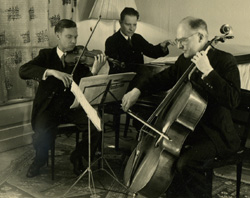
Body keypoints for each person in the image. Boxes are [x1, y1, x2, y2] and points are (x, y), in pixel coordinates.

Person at [121, 16, 241, 198]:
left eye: (183, 40)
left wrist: (208, 72)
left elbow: (233, 100)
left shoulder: (225, 61)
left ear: (200, 37)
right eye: (177, 40)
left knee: (186, 163)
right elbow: (162, 79)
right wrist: (137, 90)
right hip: (190, 131)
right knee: (168, 159)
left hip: (216, 134)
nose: (179, 45)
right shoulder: (184, 61)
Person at [19, 19, 106, 178]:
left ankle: (78, 156)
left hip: (71, 106)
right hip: (49, 108)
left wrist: (93, 71)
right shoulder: (46, 55)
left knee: (96, 124)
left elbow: (83, 87)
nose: (74, 41)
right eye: (69, 37)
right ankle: (40, 159)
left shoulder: (80, 59)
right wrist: (51, 72)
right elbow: (23, 70)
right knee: (41, 132)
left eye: (76, 37)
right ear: (58, 35)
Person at [105, 7, 173, 75]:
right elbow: (117, 67)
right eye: (128, 24)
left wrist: (162, 46)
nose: (131, 29)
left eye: (134, 25)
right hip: (120, 81)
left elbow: (151, 51)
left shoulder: (137, 38)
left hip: (138, 80)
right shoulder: (111, 41)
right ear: (120, 23)